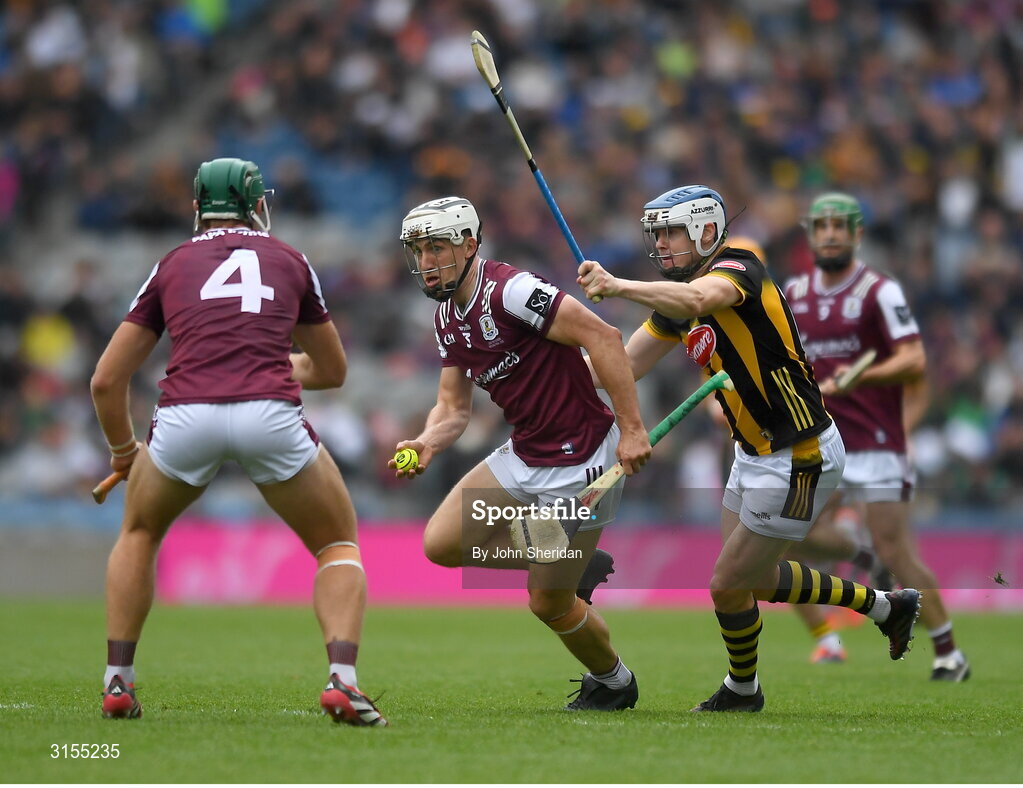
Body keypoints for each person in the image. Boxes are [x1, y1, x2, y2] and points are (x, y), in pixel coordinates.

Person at [577, 184, 921, 712]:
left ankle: (744, 690)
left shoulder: (739, 267)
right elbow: (623, 365)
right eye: (657, 235)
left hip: (798, 452)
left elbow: (699, 299)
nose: (662, 245)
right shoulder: (677, 297)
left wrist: (618, 285)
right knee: (748, 581)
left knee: (726, 583)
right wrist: (554, 354)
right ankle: (883, 607)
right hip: (752, 454)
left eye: (671, 233)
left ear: (707, 231)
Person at [91, 158, 387, 725]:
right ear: (256, 203)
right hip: (268, 414)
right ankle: (342, 682)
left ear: (199, 207)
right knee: (337, 545)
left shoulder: (171, 263)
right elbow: (332, 371)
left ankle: (117, 683)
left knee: (139, 532)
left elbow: (106, 380)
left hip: (184, 417)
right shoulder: (290, 259)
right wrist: (267, 361)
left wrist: (125, 451)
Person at [390, 196, 651, 711]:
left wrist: (633, 429)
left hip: (583, 460)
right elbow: (452, 409)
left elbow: (604, 336)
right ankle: (575, 561)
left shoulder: (511, 291)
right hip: (526, 450)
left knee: (547, 602)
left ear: (469, 245)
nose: (426, 261)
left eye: (437, 247)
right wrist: (426, 443)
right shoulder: (447, 317)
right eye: (418, 250)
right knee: (441, 544)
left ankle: (615, 681)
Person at [783, 192, 970, 681]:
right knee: (787, 538)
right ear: (811, 234)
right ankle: (857, 553)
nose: (829, 235)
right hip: (820, 441)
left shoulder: (878, 291)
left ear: (856, 234)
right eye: (821, 226)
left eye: (839, 227)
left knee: (897, 551)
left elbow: (914, 360)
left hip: (877, 442)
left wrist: (861, 377)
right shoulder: (795, 295)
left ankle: (949, 650)